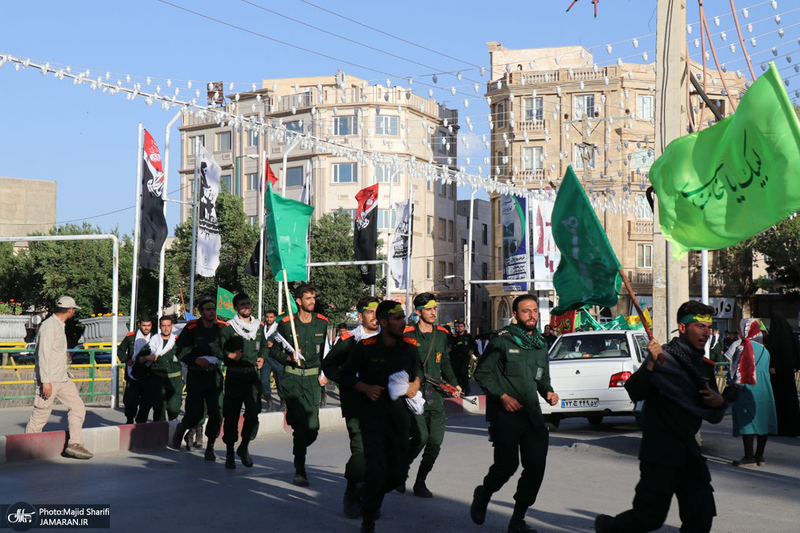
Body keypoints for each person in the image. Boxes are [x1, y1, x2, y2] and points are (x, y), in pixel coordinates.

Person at [595, 301, 728, 533]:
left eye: (709, 327)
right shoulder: (663, 358)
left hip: (689, 453)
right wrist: (650, 364)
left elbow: (713, 415)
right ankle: (607, 528)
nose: (706, 333)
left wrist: (719, 402)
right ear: (682, 327)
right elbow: (635, 391)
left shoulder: (704, 367)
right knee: (649, 518)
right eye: (700, 326)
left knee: (701, 517)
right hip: (660, 453)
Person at [470, 294, 558, 533]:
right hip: (506, 416)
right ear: (516, 315)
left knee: (536, 466)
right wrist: (503, 396)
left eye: (534, 310)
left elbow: (542, 378)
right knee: (507, 466)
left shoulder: (540, 344)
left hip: (532, 415)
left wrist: (548, 392)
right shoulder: (502, 341)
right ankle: (484, 493)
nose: (532, 315)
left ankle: (517, 519)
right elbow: (482, 373)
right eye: (526, 311)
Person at [338, 300, 422, 533]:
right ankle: (368, 520)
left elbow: (418, 370)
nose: (403, 322)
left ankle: (364, 492)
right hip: (373, 416)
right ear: (383, 322)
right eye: (397, 319)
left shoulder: (408, 346)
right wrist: (364, 388)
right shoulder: (366, 347)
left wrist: (416, 383)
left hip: (399, 417)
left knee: (398, 474)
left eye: (403, 318)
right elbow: (345, 375)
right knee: (376, 470)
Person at [322, 296, 381, 519]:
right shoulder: (350, 340)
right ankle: (351, 491)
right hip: (357, 404)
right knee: (360, 452)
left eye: (378, 311)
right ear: (360, 315)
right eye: (370, 312)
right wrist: (349, 382)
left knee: (379, 453)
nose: (375, 316)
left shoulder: (388, 339)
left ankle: (370, 494)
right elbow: (329, 364)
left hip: (383, 405)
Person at [270, 283, 331, 486]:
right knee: (300, 426)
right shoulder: (286, 323)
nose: (312, 301)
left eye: (314, 298)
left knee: (312, 428)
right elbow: (273, 349)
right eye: (308, 298)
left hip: (313, 381)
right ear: (298, 301)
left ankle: (299, 445)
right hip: (293, 379)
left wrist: (325, 373)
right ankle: (300, 468)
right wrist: (288, 358)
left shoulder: (322, 323)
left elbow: (325, 352)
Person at [403, 292, 461, 498]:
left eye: (435, 308)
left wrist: (454, 383)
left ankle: (420, 481)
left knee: (435, 442)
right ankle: (400, 471)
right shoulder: (408, 334)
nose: (433, 312)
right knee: (420, 438)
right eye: (429, 309)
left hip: (435, 395)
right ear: (419, 312)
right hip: (414, 396)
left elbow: (444, 361)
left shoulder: (442, 334)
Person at [25, 296, 93, 459]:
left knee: (78, 407)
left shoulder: (59, 325)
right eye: (73, 309)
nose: (74, 312)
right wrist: (45, 381)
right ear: (69, 310)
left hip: (62, 378)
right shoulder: (49, 327)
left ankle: (74, 443)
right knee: (41, 413)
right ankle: (26, 448)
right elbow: (43, 355)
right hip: (49, 379)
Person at [215, 293, 267, 469]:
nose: (246, 307)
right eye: (242, 305)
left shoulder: (258, 326)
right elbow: (216, 347)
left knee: (253, 413)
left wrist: (262, 357)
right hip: (235, 376)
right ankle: (230, 452)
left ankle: (244, 446)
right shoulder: (229, 328)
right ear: (236, 308)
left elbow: (264, 346)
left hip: (252, 376)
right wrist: (228, 355)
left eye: (248, 304)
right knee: (231, 416)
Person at [171, 298, 225, 461]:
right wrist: (194, 360)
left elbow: (227, 348)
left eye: (213, 309)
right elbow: (180, 351)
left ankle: (210, 448)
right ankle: (183, 427)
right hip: (196, 375)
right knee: (195, 413)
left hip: (214, 376)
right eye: (208, 309)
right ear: (201, 312)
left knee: (216, 412)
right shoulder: (191, 329)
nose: (212, 312)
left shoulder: (221, 329)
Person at [724, 318, 778, 467]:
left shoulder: (741, 347)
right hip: (764, 389)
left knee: (746, 421)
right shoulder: (765, 350)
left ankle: (749, 457)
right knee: (762, 422)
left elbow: (733, 370)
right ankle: (760, 456)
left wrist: (730, 381)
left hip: (746, 389)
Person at [137, 316, 183, 422]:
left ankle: (172, 421)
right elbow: (140, 358)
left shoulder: (178, 341)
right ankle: (160, 431)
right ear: (159, 326)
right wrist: (148, 358)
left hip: (175, 380)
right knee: (159, 409)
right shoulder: (154, 341)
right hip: (158, 380)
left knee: (174, 408)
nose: (166, 328)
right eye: (163, 326)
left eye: (168, 325)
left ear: (172, 326)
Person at [765, 311, 800, 437]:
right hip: (788, 373)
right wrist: (795, 366)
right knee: (789, 399)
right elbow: (797, 351)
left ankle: (778, 427)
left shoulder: (774, 337)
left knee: (777, 401)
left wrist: (772, 366)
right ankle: (793, 428)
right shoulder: (790, 336)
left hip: (776, 375)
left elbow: (771, 353)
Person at [117, 316, 153, 424]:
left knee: (146, 402)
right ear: (139, 325)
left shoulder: (155, 338)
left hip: (148, 375)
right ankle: (129, 420)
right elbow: (121, 350)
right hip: (132, 374)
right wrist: (126, 359)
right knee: (130, 401)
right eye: (144, 325)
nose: (146, 328)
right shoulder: (131, 337)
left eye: (148, 325)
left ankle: (141, 422)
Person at [260, 310, 286, 412]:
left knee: (280, 382)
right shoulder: (261, 328)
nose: (269, 319)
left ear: (275, 318)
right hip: (265, 359)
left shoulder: (279, 328)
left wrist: (274, 344)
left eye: (271, 317)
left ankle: (283, 401)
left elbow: (284, 342)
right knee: (263, 381)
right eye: (267, 317)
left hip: (277, 359)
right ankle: (270, 402)